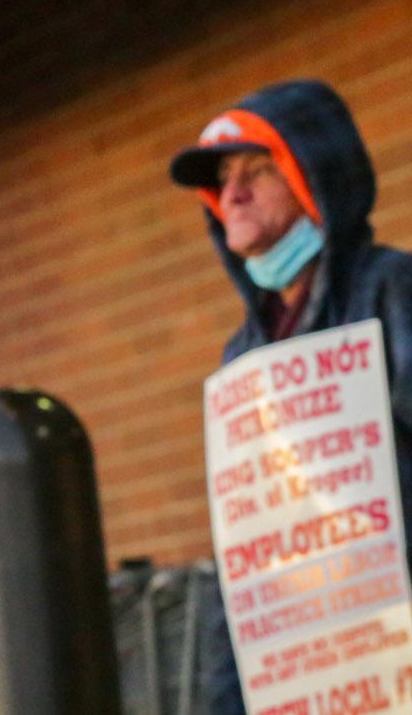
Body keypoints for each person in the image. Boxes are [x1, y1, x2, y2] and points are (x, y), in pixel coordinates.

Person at [169, 79, 412, 713]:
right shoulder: (240, 358)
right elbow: (246, 559)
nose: (233, 193)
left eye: (258, 168)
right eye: (221, 179)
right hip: (305, 679)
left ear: (315, 177)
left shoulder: (392, 292)